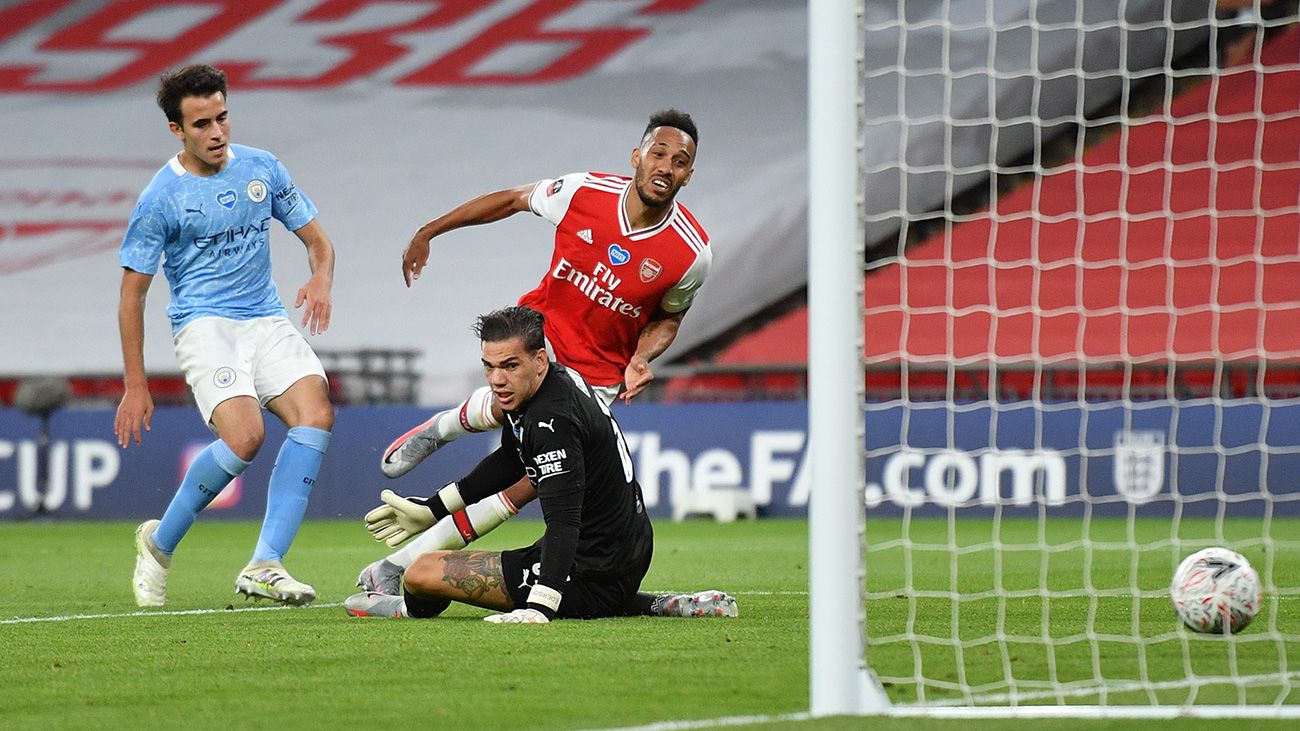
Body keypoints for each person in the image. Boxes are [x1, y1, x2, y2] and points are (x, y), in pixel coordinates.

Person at [358, 110, 710, 594]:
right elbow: (512, 199)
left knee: (530, 483)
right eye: (659, 153)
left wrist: (642, 357)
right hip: (540, 343)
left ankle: (404, 562)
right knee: (508, 425)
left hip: (595, 380)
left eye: (681, 161)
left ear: (689, 175)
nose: (667, 166)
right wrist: (430, 230)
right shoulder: (584, 192)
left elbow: (669, 318)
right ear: (638, 156)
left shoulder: (692, 252)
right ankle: (445, 427)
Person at [345, 307, 735, 621]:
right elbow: (512, 459)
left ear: (539, 360)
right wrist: (434, 509)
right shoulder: (555, 384)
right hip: (625, 550)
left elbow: (565, 521)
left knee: (422, 574)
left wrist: (540, 606)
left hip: (590, 567)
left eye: (510, 366)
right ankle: (649, 605)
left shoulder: (553, 421)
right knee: (572, 581)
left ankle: (404, 610)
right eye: (489, 366)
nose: (497, 380)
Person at [117, 64, 337, 608]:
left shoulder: (262, 169)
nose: (216, 132)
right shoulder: (161, 198)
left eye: (222, 117)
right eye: (201, 124)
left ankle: (266, 563)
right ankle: (159, 542)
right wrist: (136, 385)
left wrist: (320, 277)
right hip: (204, 324)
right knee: (245, 438)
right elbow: (132, 296)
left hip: (264, 317)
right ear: (177, 130)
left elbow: (318, 241)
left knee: (317, 413)